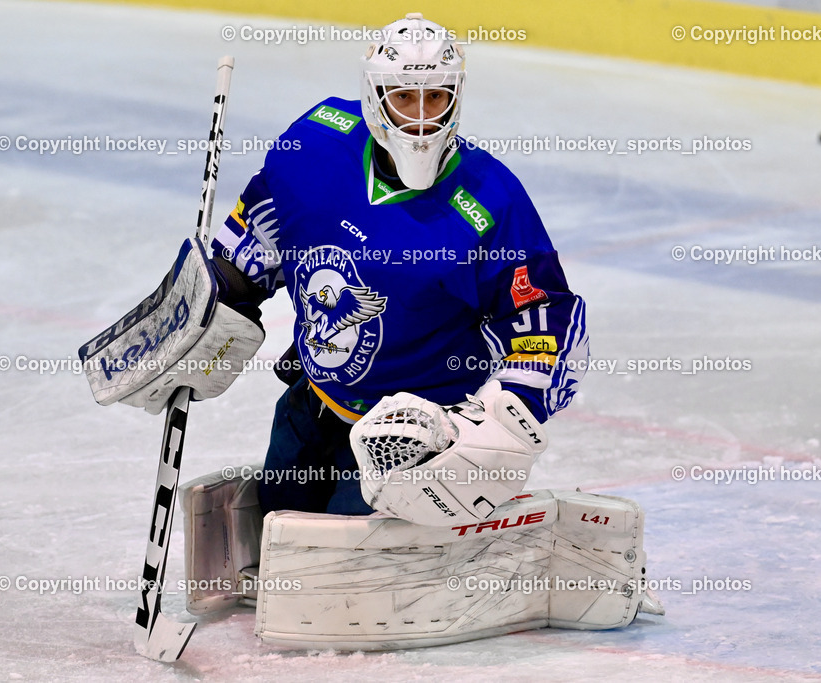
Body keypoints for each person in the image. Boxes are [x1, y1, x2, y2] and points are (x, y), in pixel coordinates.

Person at [208, 12, 589, 522]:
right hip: (313, 400)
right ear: (374, 95)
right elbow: (262, 231)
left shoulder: (491, 200)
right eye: (404, 96)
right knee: (280, 527)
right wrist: (214, 299)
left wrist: (500, 422)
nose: (421, 116)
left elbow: (545, 324)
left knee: (335, 566)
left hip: (415, 446)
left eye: (437, 97)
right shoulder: (315, 145)